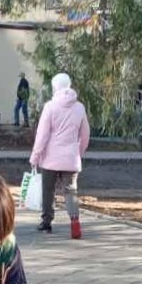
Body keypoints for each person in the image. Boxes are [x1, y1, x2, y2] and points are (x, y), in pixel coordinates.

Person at [29, 72, 91, 239]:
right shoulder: (80, 107)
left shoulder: (50, 106)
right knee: (71, 191)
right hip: (71, 158)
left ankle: (47, 222)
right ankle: (75, 221)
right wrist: (79, 152)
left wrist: (35, 156)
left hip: (50, 159)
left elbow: (42, 134)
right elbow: (85, 134)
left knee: (48, 190)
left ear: (55, 87)